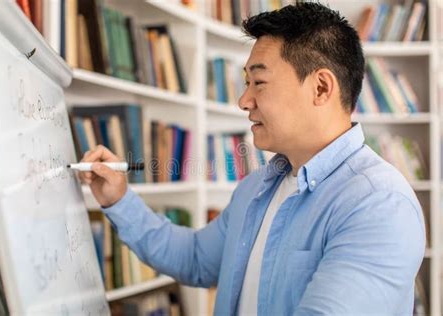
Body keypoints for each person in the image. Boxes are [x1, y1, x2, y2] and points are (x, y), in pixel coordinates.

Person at [80, 2, 425, 315]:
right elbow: (196, 260)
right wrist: (119, 199)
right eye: (246, 82)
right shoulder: (257, 187)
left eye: (259, 82)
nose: (244, 100)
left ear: (321, 88)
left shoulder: (379, 203)